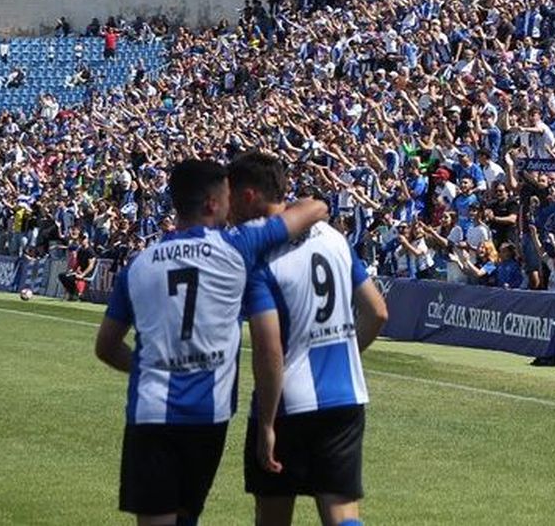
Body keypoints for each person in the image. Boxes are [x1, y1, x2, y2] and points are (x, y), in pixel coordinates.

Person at [93, 159, 328, 526]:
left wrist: (148, 367)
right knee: (187, 515)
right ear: (211, 203)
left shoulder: (138, 265)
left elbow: (106, 346)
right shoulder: (239, 245)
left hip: (151, 411)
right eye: (226, 196)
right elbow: (314, 208)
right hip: (208, 415)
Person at [230, 151, 389, 526]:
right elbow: (378, 312)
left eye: (230, 195)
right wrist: (346, 353)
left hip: (289, 403)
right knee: (341, 514)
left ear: (249, 195)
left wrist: (266, 424)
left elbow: (269, 352)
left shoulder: (258, 255)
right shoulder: (334, 237)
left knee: (273, 512)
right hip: (347, 396)